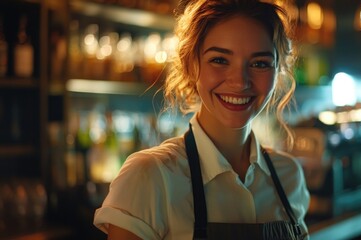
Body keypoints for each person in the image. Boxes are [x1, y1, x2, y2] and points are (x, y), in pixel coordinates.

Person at [93, 0, 310, 239]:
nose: (239, 82)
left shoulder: (288, 175)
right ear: (191, 65)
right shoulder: (150, 177)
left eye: (260, 63)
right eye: (219, 60)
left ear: (278, 71)